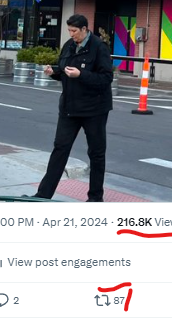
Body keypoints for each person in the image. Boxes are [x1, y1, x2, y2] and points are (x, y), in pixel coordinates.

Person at [35, 14, 113, 202]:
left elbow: (105, 79)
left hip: (94, 109)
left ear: (85, 29)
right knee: (60, 149)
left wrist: (81, 74)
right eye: (69, 31)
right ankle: (43, 195)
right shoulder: (69, 46)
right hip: (69, 108)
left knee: (96, 153)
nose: (71, 35)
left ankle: (95, 198)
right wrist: (54, 72)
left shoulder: (99, 47)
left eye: (74, 31)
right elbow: (64, 71)